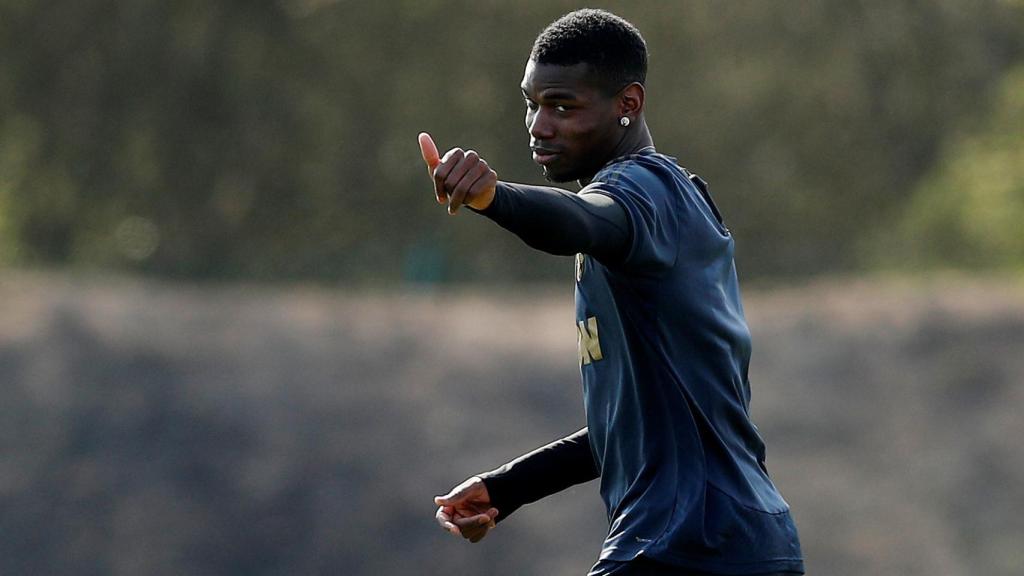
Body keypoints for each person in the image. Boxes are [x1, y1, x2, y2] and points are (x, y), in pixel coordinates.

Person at [418, 9, 804, 576]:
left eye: (562, 106)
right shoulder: (679, 208)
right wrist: (511, 487)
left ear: (628, 104)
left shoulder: (641, 191)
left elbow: (581, 219)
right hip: (748, 542)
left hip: (680, 544)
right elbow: (641, 424)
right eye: (532, 102)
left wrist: (493, 198)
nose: (538, 125)